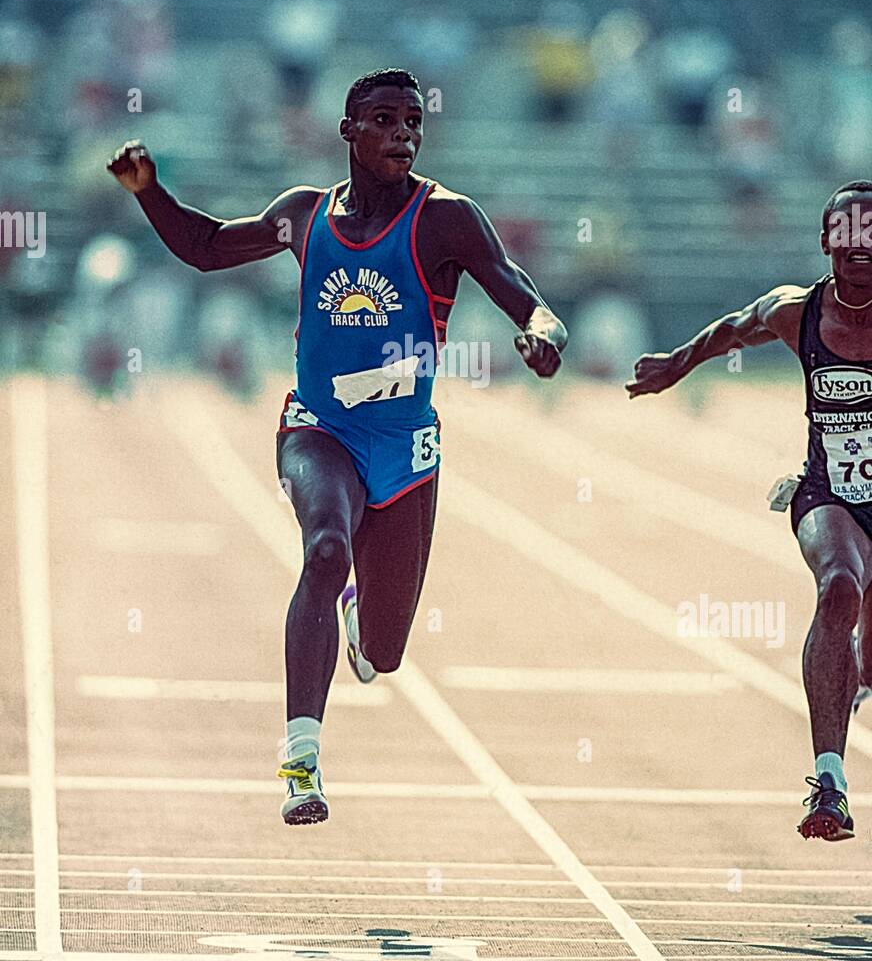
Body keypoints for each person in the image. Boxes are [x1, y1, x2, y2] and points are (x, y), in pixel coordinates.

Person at [107, 68, 567, 826]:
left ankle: (361, 622)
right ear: (348, 132)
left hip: (405, 446)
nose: (402, 134)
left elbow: (523, 293)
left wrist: (543, 333)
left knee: (383, 655)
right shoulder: (302, 216)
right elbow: (208, 247)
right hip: (317, 427)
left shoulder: (446, 219)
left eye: (413, 122)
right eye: (384, 120)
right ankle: (301, 759)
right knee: (324, 549)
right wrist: (148, 191)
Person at [626, 180, 872, 843]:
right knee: (839, 586)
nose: (861, 252)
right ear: (826, 244)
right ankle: (829, 784)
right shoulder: (798, 312)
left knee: (870, 663)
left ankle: (856, 667)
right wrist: (675, 367)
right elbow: (732, 328)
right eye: (849, 239)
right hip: (830, 496)